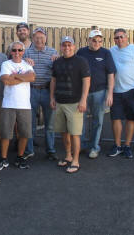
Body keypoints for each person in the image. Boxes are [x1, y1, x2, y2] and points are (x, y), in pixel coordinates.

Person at [51, 36, 90, 173]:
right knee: (63, 132)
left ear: (73, 46)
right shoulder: (57, 62)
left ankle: (76, 161)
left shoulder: (81, 62)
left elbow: (86, 81)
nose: (66, 48)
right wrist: (52, 98)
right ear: (61, 47)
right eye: (64, 45)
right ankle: (68, 156)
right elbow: (53, 81)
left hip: (75, 104)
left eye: (69, 45)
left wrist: (83, 100)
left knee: (75, 134)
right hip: (60, 102)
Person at [0, 41, 36, 171]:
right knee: (6, 133)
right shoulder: (6, 64)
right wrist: (23, 77)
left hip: (24, 105)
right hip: (9, 104)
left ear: (23, 52)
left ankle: (20, 157)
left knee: (24, 133)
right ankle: (3, 158)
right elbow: (6, 80)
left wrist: (16, 76)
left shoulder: (27, 64)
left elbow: (32, 77)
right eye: (14, 50)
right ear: (10, 52)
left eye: (19, 50)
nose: (17, 53)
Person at [77, 29, 116, 159]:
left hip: (99, 92)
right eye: (94, 40)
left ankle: (94, 147)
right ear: (89, 40)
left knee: (97, 121)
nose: (97, 43)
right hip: (82, 92)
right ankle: (81, 145)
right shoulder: (81, 52)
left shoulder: (106, 53)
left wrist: (110, 93)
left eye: (100, 41)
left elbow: (111, 74)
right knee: (80, 121)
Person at [108, 28, 134, 159]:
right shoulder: (111, 51)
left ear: (126, 37)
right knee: (116, 118)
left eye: (121, 37)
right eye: (117, 38)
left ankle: (127, 145)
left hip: (132, 89)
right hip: (116, 90)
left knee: (131, 118)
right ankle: (117, 145)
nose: (119, 40)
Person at [24, 27, 59, 160]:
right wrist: (24, 61)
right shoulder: (26, 52)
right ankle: (29, 150)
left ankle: (50, 150)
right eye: (37, 37)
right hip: (31, 90)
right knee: (30, 123)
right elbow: (16, 64)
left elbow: (58, 69)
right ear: (33, 39)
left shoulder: (52, 52)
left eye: (42, 37)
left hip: (47, 90)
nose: (39, 40)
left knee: (49, 123)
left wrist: (58, 59)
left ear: (45, 39)